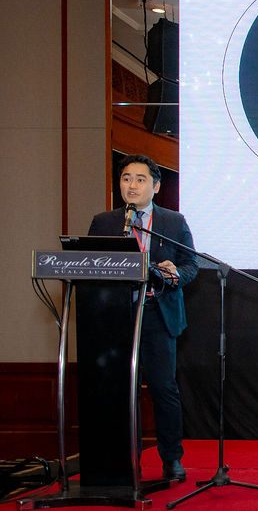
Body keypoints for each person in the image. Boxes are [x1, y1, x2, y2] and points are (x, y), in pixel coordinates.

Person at [88, 154, 198, 482]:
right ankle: (126, 459)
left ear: (156, 186)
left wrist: (175, 273)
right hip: (117, 318)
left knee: (164, 388)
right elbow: (90, 265)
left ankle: (171, 459)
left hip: (157, 313)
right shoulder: (104, 222)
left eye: (140, 179)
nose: (132, 185)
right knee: (122, 391)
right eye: (126, 178)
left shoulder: (173, 222)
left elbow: (191, 266)